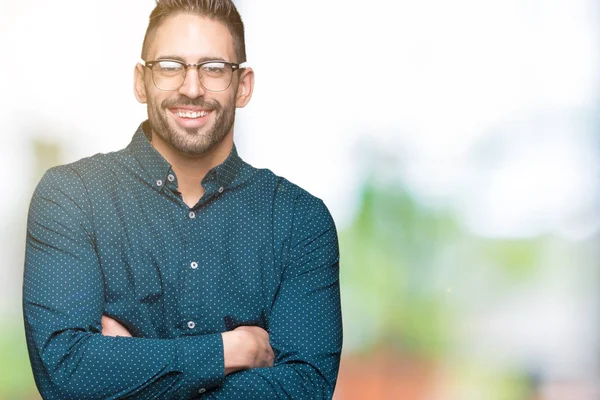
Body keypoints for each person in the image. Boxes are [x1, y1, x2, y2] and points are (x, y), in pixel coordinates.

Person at [22, 1, 342, 398]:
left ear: (243, 86)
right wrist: (230, 351)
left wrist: (129, 365)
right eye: (171, 66)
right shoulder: (72, 196)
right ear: (141, 80)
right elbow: (67, 373)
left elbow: (305, 388)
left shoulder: (299, 220)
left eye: (214, 69)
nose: (192, 88)